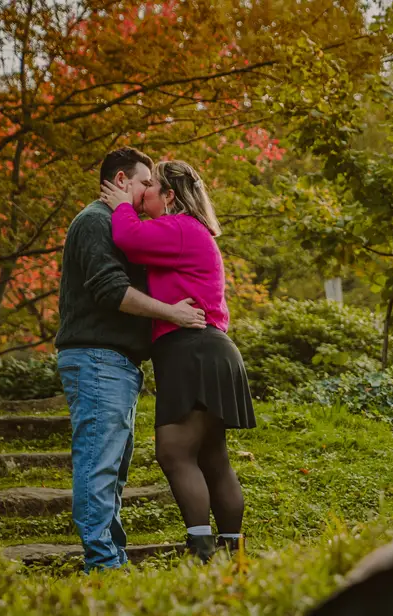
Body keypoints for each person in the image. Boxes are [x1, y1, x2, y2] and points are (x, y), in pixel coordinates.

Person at [55, 147, 207, 572]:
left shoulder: (116, 225)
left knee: (113, 468)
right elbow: (110, 290)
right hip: (97, 357)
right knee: (99, 465)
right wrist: (174, 313)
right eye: (144, 183)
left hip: (114, 362)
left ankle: (112, 558)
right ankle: (102, 565)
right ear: (121, 181)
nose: (148, 192)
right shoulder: (95, 222)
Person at [99, 159, 256, 565]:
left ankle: (203, 551)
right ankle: (231, 553)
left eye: (150, 186)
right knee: (211, 456)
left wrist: (119, 204)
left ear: (169, 196)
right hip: (209, 347)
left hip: (193, 349)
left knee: (174, 452)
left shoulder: (180, 227)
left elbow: (128, 238)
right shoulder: (189, 232)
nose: (143, 192)